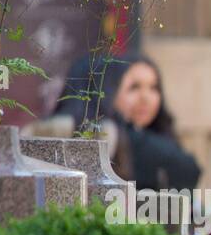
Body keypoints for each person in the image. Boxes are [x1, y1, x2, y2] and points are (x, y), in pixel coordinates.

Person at [48, 54, 201, 191]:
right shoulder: (113, 136)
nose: (145, 98)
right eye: (133, 87)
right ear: (105, 92)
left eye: (154, 87)